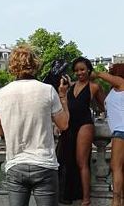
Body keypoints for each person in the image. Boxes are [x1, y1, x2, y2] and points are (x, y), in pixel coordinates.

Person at [0, 44, 70, 206]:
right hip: (44, 164)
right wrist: (63, 97)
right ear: (35, 65)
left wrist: (12, 129)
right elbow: (64, 124)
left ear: (12, 66)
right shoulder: (47, 90)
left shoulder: (2, 93)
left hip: (16, 163)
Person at [57, 57, 105, 205]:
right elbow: (61, 106)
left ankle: (86, 199)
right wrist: (62, 93)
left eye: (82, 69)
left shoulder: (94, 87)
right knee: (66, 159)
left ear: (89, 70)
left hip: (85, 124)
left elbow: (104, 106)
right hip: (69, 124)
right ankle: (68, 195)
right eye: (76, 70)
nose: (79, 73)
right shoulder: (69, 86)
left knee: (81, 162)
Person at [90, 64, 124, 206]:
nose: (109, 72)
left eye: (112, 70)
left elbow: (100, 75)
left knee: (115, 166)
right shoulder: (115, 90)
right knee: (121, 168)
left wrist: (95, 74)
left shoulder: (121, 84)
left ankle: (116, 201)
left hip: (121, 131)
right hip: (119, 130)